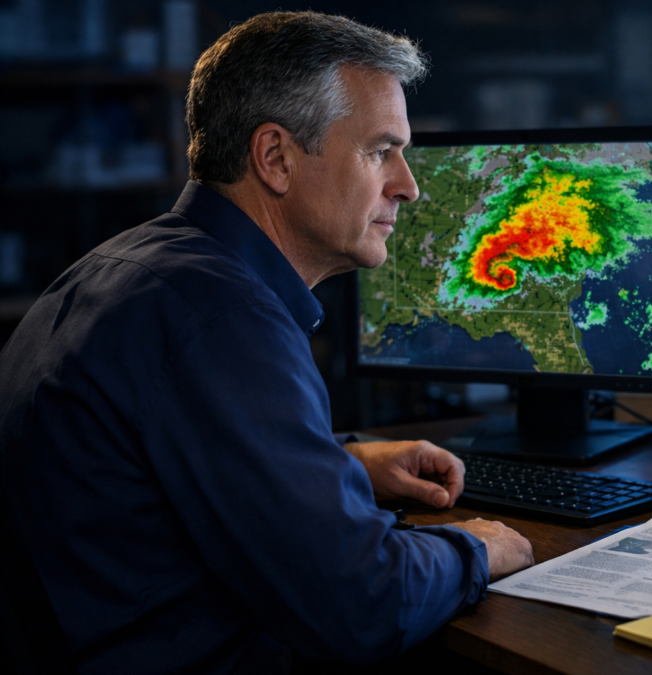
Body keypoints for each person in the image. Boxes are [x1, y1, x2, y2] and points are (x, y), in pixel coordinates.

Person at [0, 11, 533, 674]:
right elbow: (362, 603)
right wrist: (473, 550)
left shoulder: (128, 267)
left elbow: (167, 452)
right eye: (379, 151)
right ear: (275, 157)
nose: (408, 184)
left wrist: (343, 461)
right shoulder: (223, 318)